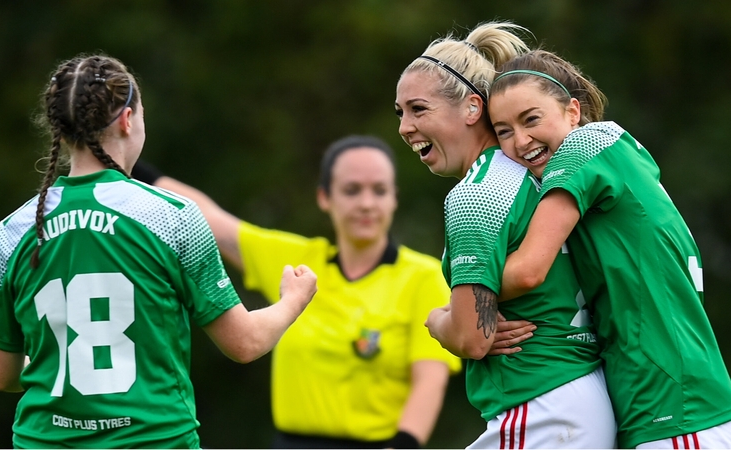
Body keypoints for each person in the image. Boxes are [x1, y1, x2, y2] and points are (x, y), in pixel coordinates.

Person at [0, 54, 318, 449]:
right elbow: (244, 344)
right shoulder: (171, 216)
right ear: (128, 119)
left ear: (61, 131)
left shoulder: (16, 229)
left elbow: (1, 375)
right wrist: (293, 299)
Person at [131, 134, 462, 449]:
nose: (366, 203)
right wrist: (121, 163)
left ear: (394, 198)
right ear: (324, 197)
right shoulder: (296, 262)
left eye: (379, 190)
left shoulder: (422, 276)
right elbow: (207, 217)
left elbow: (429, 382)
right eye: (351, 190)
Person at [488, 49, 731, 448]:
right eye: (503, 130)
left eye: (531, 119)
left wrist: (454, 313)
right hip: (662, 401)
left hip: (675, 408)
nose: (520, 141)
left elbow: (528, 271)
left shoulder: (582, 149)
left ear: (572, 111)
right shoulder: (614, 151)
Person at [394, 22, 617, 448]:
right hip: (573, 397)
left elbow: (470, 339)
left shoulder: (476, 196)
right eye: (400, 112)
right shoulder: (533, 172)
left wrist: (439, 321)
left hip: (540, 405)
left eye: (419, 109)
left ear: (473, 109)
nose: (405, 126)